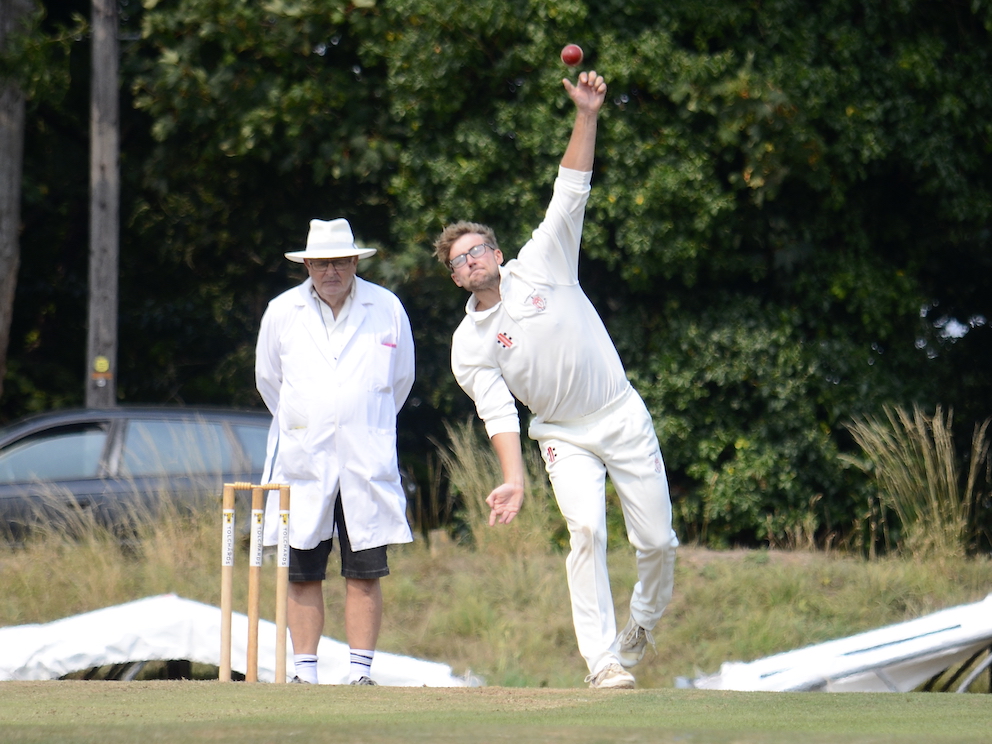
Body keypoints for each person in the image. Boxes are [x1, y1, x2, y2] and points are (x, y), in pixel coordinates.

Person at [433, 71, 678, 689]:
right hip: (561, 436)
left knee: (657, 543)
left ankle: (642, 622)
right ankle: (601, 662)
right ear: (456, 279)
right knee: (587, 531)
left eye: (477, 250)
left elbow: (571, 190)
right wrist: (513, 480)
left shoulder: (545, 261)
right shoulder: (469, 344)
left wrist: (588, 115)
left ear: (496, 251)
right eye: (458, 261)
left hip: (619, 414)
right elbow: (498, 414)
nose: (471, 261)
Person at [255, 217, 415, 685]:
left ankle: (360, 672)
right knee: (302, 570)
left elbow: (400, 380)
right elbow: (270, 384)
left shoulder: (386, 307)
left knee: (365, 568)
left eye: (340, 262)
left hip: (365, 457)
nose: (331, 271)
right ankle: (304, 673)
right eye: (322, 263)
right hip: (303, 458)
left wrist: (358, 420)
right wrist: (314, 420)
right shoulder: (282, 311)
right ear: (307, 264)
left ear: (354, 262)